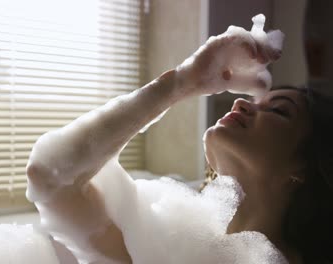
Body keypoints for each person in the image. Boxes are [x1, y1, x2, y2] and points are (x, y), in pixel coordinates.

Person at [26, 20, 333, 264]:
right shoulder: (164, 236)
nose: (241, 102)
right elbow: (48, 175)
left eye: (278, 111)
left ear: (305, 166)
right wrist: (182, 82)